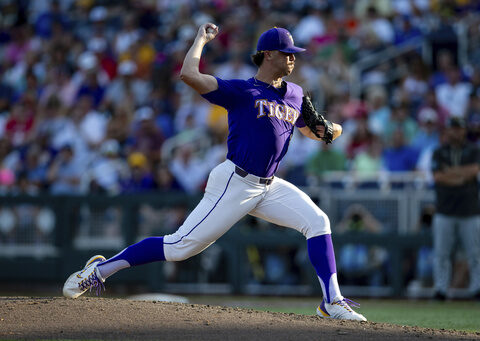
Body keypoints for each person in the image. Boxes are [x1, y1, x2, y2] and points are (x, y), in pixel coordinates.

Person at [62, 23, 366, 321]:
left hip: (269, 186)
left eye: (293, 53)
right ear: (267, 54)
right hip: (235, 182)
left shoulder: (296, 94)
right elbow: (188, 75)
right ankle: (99, 270)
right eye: (286, 52)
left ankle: (331, 301)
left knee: (318, 221)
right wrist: (200, 40)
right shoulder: (242, 90)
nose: (293, 58)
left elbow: (315, 131)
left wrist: (330, 129)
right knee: (180, 246)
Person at [431, 117, 480, 300]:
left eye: (459, 128)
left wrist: (450, 172)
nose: (456, 132)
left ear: (464, 131)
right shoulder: (439, 152)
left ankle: (477, 289)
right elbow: (438, 177)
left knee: (475, 254)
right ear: (448, 130)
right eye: (453, 128)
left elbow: (474, 170)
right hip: (445, 210)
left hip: (470, 210)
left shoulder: (473, 150)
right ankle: (440, 290)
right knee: (441, 254)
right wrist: (461, 177)